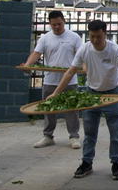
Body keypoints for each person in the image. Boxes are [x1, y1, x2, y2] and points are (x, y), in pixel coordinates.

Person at [50, 20, 118, 181]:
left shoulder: (114, 49)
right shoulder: (84, 49)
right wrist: (55, 93)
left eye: (98, 36)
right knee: (89, 131)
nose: (95, 40)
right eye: (92, 36)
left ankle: (116, 163)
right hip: (91, 94)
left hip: (112, 94)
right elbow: (71, 71)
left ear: (105, 34)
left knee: (115, 131)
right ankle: (86, 162)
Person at [22, 11, 83, 149]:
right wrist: (27, 65)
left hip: (70, 81)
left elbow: (81, 56)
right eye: (54, 24)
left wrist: (85, 69)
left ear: (64, 21)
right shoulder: (45, 38)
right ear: (50, 24)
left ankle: (74, 136)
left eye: (59, 24)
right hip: (50, 80)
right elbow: (36, 53)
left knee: (71, 109)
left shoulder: (74, 37)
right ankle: (48, 136)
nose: (57, 27)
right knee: (49, 109)